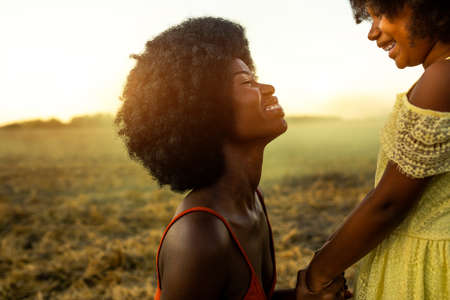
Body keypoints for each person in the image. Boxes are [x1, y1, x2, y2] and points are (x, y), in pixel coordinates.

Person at [116, 17, 348, 300]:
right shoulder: (199, 236)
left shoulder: (251, 201)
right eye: (247, 82)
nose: (267, 88)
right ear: (207, 110)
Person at [301, 1, 450, 299]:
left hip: (426, 274)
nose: (372, 33)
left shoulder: (442, 79)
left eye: (380, 14)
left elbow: (389, 203)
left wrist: (318, 273)